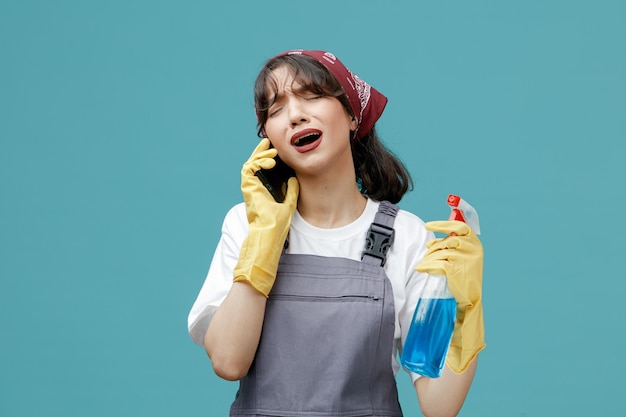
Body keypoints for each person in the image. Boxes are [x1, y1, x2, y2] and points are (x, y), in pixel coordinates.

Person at [188, 49, 485, 417]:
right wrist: (264, 237)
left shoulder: (408, 237)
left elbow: (439, 405)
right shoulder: (247, 224)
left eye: (312, 96)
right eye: (276, 109)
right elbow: (228, 362)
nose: (295, 114)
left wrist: (465, 307)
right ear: (268, 140)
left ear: (349, 114)